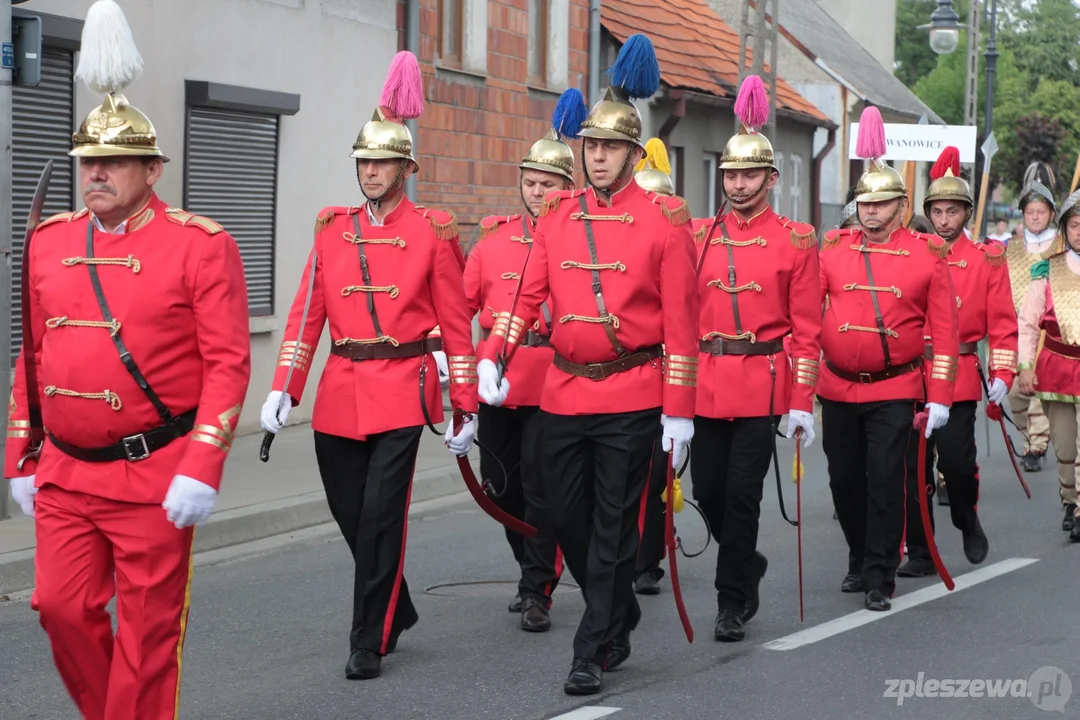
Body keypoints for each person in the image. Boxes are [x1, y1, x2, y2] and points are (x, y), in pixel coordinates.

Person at [4, 3, 252, 717]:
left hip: (153, 473)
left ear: (152, 168)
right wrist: (21, 451)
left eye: (113, 161)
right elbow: (35, 352)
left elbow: (228, 364)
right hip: (67, 472)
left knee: (147, 640)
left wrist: (202, 464)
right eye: (89, 161)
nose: (96, 173)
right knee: (58, 608)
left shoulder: (200, 245)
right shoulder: (49, 241)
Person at [476, 34, 699, 695]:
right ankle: (619, 608)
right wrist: (496, 354)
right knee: (562, 519)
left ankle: (591, 648)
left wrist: (679, 412)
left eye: (611, 148)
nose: (598, 157)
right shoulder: (557, 214)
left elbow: (683, 322)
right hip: (565, 394)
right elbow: (525, 296)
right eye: (591, 147)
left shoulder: (666, 219)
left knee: (609, 524)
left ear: (634, 153)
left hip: (632, 393)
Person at [259, 52, 478, 680]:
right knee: (351, 512)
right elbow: (306, 314)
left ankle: (368, 637)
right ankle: (398, 603)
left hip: (403, 390)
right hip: (339, 390)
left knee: (383, 515)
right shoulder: (333, 229)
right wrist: (284, 387)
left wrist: (464, 400)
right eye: (363, 161)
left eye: (381, 161)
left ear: (405, 168)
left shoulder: (433, 232)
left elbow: (457, 324)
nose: (370, 171)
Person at [691, 75, 820, 641]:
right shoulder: (697, 235)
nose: (738, 185)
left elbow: (808, 331)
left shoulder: (796, 241)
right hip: (703, 381)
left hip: (762, 381)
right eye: (730, 175)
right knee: (708, 493)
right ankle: (749, 564)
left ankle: (732, 599)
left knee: (742, 496)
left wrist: (801, 403)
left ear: (770, 178)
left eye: (748, 175)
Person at [817, 107, 958, 612]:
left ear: (900, 206)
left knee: (886, 479)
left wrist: (939, 396)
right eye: (864, 204)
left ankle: (880, 573)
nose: (870, 213)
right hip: (836, 386)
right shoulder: (832, 249)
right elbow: (809, 318)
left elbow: (944, 334)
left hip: (895, 388)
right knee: (844, 480)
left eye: (880, 205)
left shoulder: (928, 255)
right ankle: (859, 552)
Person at [462, 89, 588, 631]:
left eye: (549, 184)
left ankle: (537, 587)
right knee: (501, 484)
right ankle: (528, 567)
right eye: (530, 182)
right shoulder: (492, 238)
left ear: (568, 188)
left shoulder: (583, 239)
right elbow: (460, 304)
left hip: (553, 377)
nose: (537, 192)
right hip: (498, 378)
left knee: (542, 485)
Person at [898, 146, 1017, 577]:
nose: (944, 220)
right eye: (937, 211)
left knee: (955, 463)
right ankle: (921, 549)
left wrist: (1003, 371)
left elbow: (1003, 322)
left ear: (966, 213)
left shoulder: (987, 259)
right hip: (912, 373)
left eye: (952, 211)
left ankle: (966, 518)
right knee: (912, 467)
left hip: (960, 373)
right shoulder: (910, 252)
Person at [631, 136, 679, 597]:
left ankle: (650, 557)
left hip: (671, 371)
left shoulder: (682, 242)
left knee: (658, 473)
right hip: (638, 369)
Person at [1019, 189, 1080, 539]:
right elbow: (1028, 323)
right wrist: (1025, 366)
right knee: (1065, 445)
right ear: (1065, 229)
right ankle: (1070, 500)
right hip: (1056, 365)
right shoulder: (1046, 271)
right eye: (1074, 225)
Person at [1007, 162, 1061, 475]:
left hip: (1049, 330)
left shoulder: (1061, 248)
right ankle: (1028, 433)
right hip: (1014, 330)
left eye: (1041, 211)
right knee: (1016, 393)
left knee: (1040, 388)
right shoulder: (1009, 249)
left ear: (1051, 214)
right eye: (1030, 212)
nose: (1036, 217)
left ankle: (1036, 446)